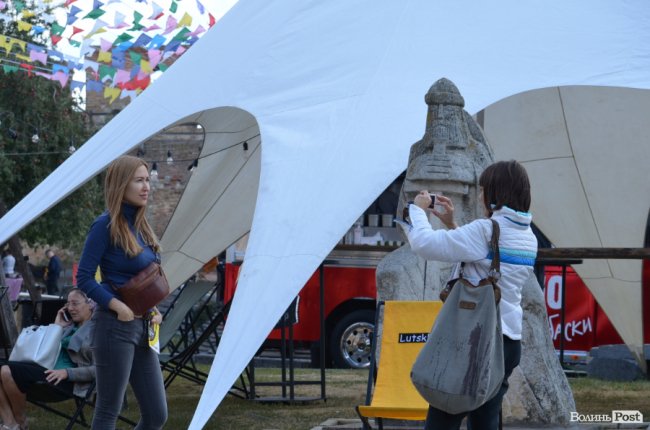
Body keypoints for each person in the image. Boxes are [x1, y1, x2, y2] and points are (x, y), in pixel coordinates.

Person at [406, 160, 537, 430]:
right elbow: (487, 261)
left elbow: (424, 244)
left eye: (482, 189)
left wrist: (417, 210)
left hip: (474, 338)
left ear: (495, 193)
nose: (480, 195)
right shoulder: (528, 235)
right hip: (508, 342)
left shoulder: (486, 229)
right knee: (484, 421)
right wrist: (453, 225)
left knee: (444, 415)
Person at [76, 155, 166, 429]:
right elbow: (84, 277)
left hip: (143, 327)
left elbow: (139, 278)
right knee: (108, 411)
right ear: (120, 185)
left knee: (156, 414)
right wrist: (117, 306)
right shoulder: (104, 226)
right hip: (114, 327)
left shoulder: (141, 227)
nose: (146, 187)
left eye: (147, 180)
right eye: (138, 180)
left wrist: (153, 308)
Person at [0, 288, 95, 430]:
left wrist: (67, 373)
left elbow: (100, 369)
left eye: (75, 303)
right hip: (46, 370)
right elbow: (45, 351)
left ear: (91, 304)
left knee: (7, 371)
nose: (70, 308)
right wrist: (56, 327)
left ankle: (20, 421)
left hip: (66, 380)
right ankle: (10, 423)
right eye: (68, 304)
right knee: (3, 369)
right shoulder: (68, 327)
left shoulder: (98, 332)